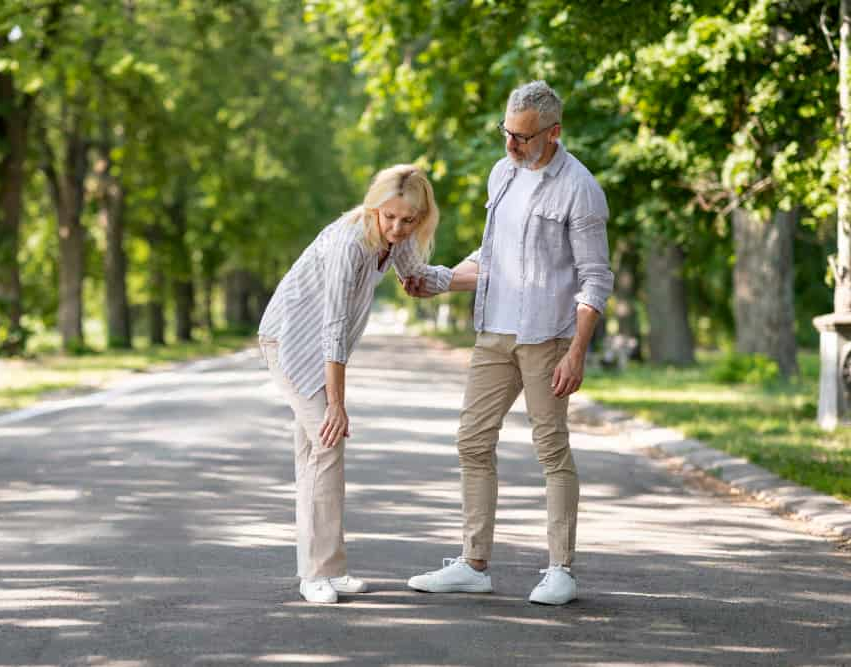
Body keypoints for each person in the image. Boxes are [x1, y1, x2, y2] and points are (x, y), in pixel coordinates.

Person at [404, 81, 614, 605]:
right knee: (472, 442)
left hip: (548, 337)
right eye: (507, 132)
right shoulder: (502, 175)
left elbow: (595, 278)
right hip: (493, 332)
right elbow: (493, 258)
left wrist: (577, 349)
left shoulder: (580, 188)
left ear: (553, 133)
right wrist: (438, 279)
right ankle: (474, 563)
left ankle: (560, 570)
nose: (512, 146)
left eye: (522, 137)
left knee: (551, 450)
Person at [258, 164, 455, 604]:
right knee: (328, 442)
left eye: (409, 220)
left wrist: (481, 274)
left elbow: (421, 277)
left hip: (317, 345)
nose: (398, 228)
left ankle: (328, 568)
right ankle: (316, 574)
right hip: (289, 341)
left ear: (421, 217)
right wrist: (337, 403)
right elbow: (333, 325)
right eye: (389, 217)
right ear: (374, 208)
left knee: (314, 451)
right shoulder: (351, 242)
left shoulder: (395, 242)